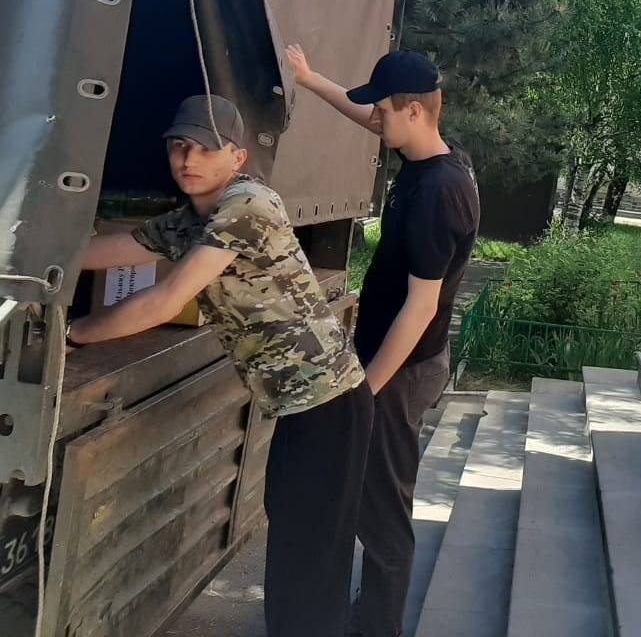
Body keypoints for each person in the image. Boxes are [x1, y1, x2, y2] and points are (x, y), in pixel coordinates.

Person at [73, 94, 372, 637]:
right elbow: (112, 251)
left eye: (206, 148)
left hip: (328, 403)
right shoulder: (194, 218)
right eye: (179, 146)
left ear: (237, 157)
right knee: (295, 539)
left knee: (310, 551)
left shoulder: (246, 203)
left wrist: (74, 333)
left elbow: (165, 301)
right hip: (301, 403)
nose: (188, 159)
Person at [287, 46, 480, 637]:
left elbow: (421, 308)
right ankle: (368, 616)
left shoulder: (438, 192)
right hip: (396, 361)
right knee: (372, 498)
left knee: (384, 510)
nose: (375, 120)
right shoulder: (430, 154)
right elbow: (365, 115)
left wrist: (365, 390)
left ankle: (377, 628)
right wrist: (310, 80)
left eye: (385, 109)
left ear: (414, 110)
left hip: (403, 369)